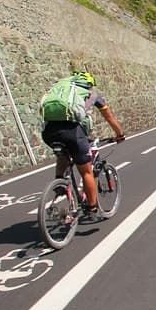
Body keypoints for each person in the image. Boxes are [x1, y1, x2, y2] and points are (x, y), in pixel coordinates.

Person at [40, 71, 125, 214]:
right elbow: (109, 118)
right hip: (72, 132)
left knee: (63, 155)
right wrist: (120, 134)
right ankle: (92, 208)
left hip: (48, 132)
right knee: (86, 172)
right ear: (89, 85)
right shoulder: (92, 94)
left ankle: (60, 183)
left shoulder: (59, 90)